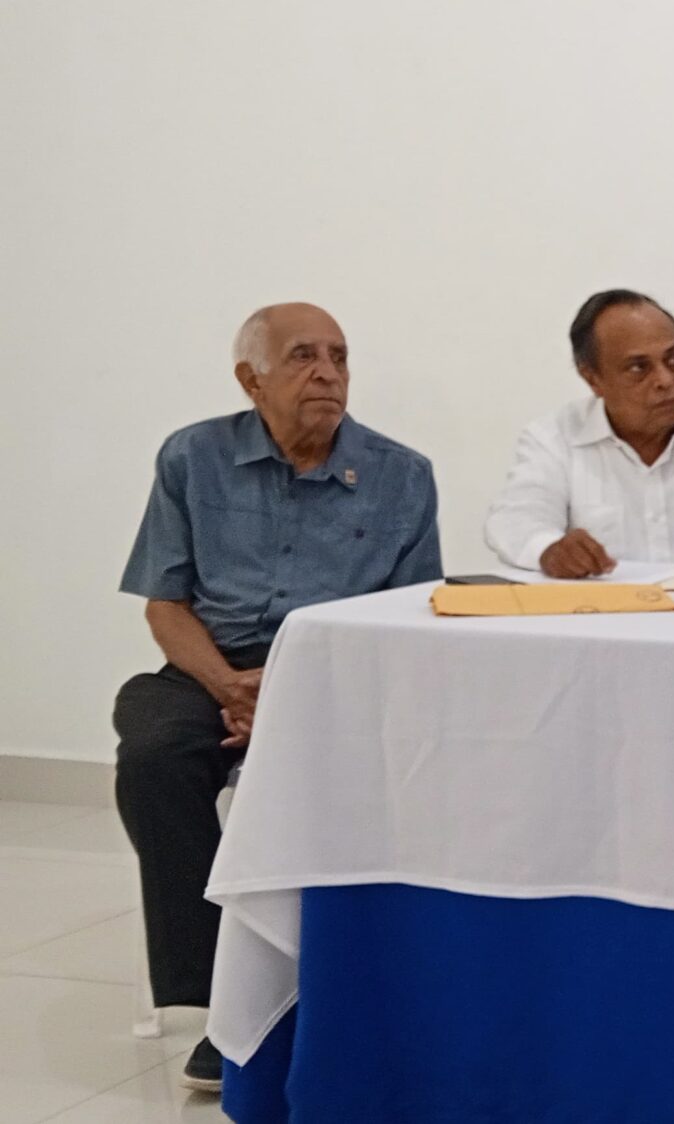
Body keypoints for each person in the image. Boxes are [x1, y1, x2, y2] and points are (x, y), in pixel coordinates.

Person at [114, 303, 443, 1093]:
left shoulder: (402, 474)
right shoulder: (192, 456)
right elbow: (165, 604)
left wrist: (294, 698)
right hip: (214, 669)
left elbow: (410, 625)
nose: (328, 372)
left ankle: (326, 986)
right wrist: (230, 687)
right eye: (303, 356)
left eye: (339, 356)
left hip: (336, 679)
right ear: (250, 379)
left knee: (356, 768)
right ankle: (220, 997)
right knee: (155, 751)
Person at [485, 290, 674, 578]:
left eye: (673, 359)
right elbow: (516, 521)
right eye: (638, 368)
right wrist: (550, 550)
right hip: (601, 614)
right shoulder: (554, 440)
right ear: (592, 378)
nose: (665, 380)